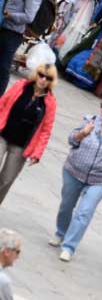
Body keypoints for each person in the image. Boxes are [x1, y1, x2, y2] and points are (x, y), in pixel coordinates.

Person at [53, 94, 102, 261]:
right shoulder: (89, 121)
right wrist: (83, 133)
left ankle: (69, 246)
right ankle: (60, 233)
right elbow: (71, 139)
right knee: (66, 206)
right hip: (74, 170)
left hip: (100, 179)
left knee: (84, 212)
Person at [0, 62, 57, 205]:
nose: (43, 79)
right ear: (36, 74)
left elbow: (46, 130)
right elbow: (2, 104)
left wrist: (37, 153)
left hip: (21, 145)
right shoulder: (21, 86)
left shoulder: (50, 102)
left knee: (6, 180)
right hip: (3, 134)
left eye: (48, 78)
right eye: (41, 75)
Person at [0, 0, 42, 93]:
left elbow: (29, 16)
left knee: (3, 67)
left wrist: (9, 15)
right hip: (5, 29)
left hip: (13, 34)